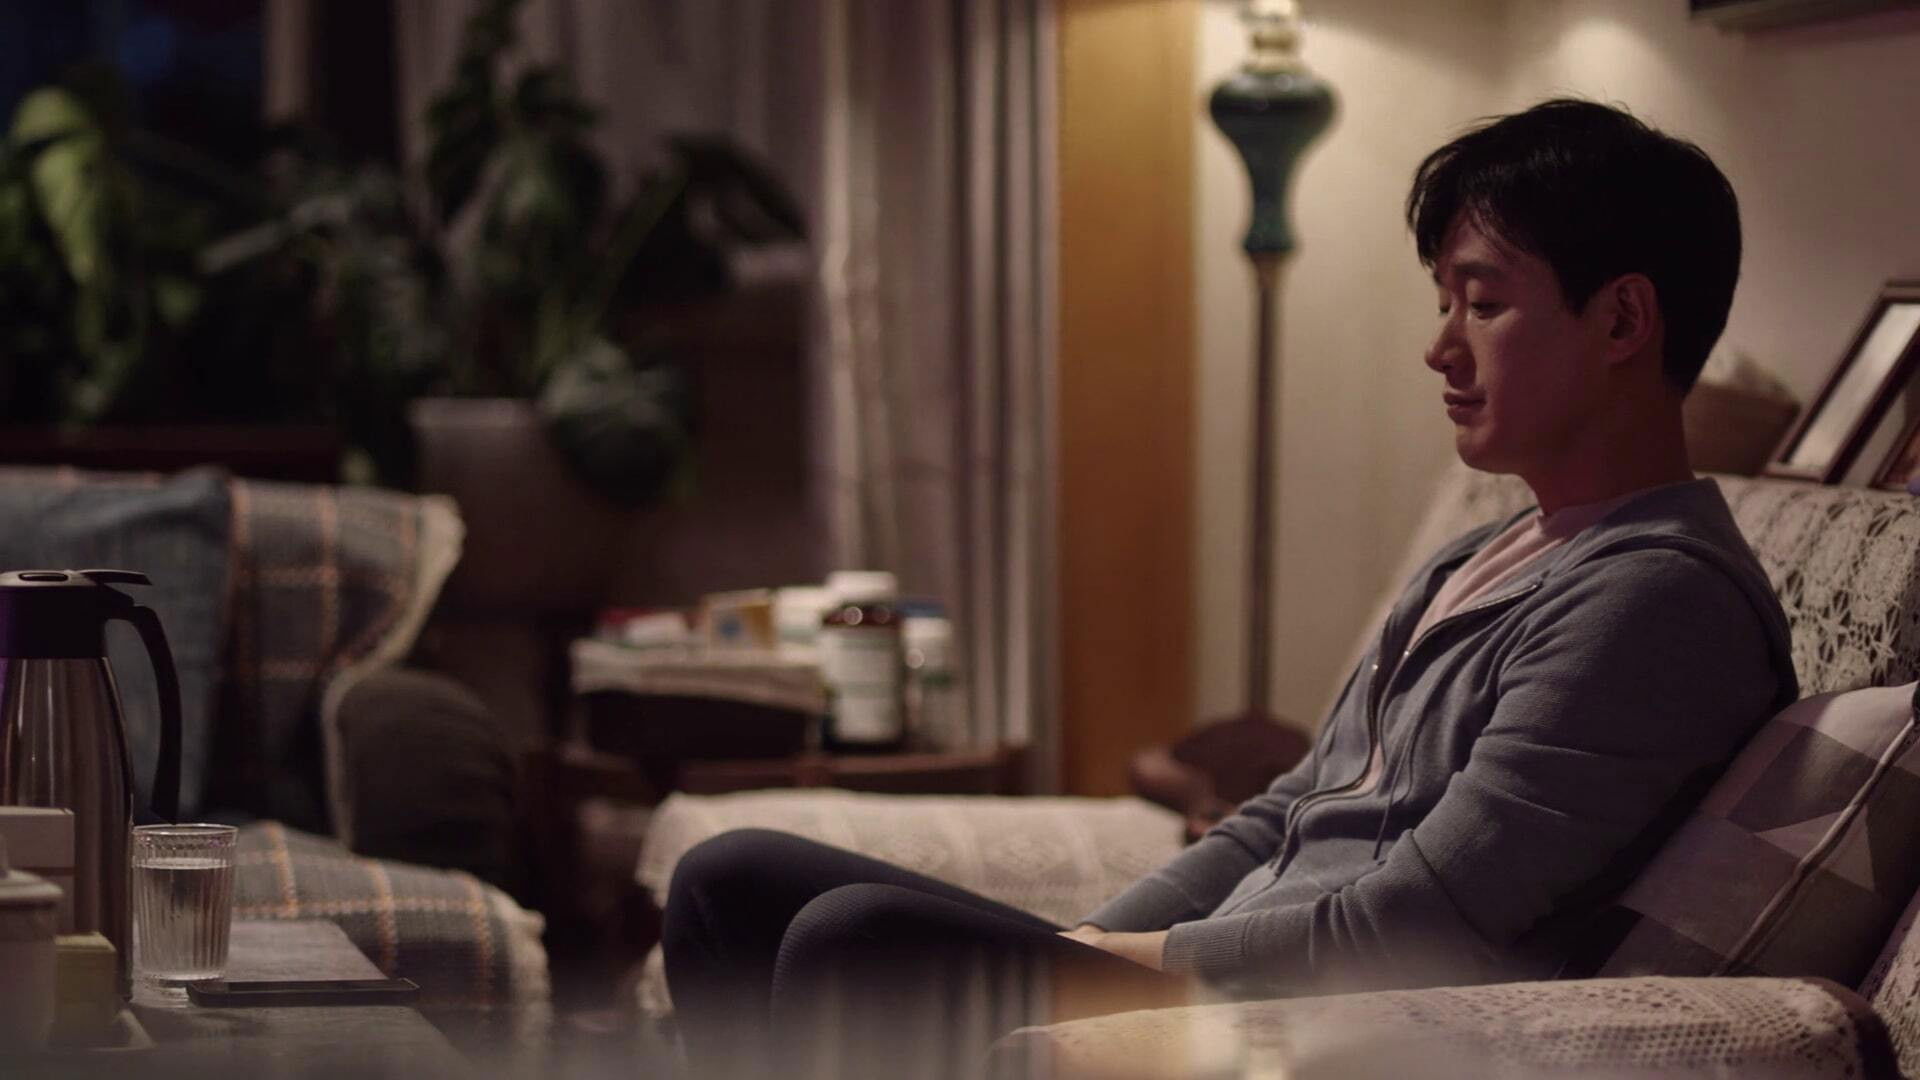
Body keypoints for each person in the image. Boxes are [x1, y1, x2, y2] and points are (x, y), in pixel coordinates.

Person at [661, 98, 1798, 1078]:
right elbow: (1283, 813)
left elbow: (1425, 917)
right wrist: (1086, 945)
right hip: (1216, 974)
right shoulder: (1487, 553)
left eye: (1483, 303)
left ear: (1622, 320)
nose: (1440, 348)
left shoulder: (1657, 600)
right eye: (1442, 302)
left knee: (856, 943)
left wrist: (1125, 968)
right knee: (732, 877)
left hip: (1313, 1020)